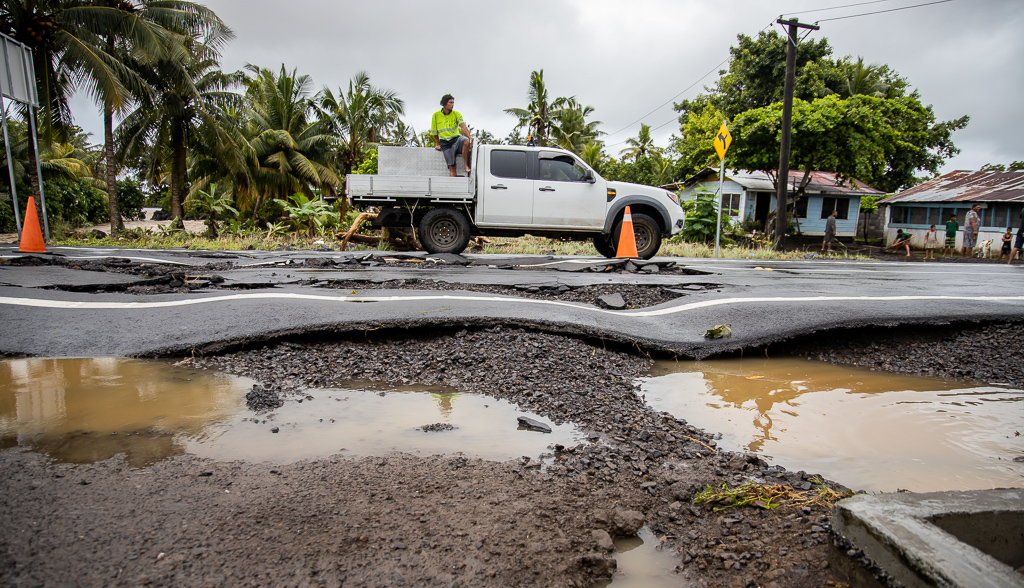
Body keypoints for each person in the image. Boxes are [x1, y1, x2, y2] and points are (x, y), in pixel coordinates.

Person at [430, 94, 472, 177]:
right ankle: (454, 185)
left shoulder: (456, 114)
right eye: (450, 102)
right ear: (444, 103)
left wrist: (470, 137)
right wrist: (438, 144)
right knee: (452, 167)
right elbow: (434, 132)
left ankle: (466, 165)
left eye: (453, 102)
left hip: (456, 139)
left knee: (466, 141)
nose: (452, 104)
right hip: (445, 143)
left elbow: (463, 126)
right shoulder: (436, 115)